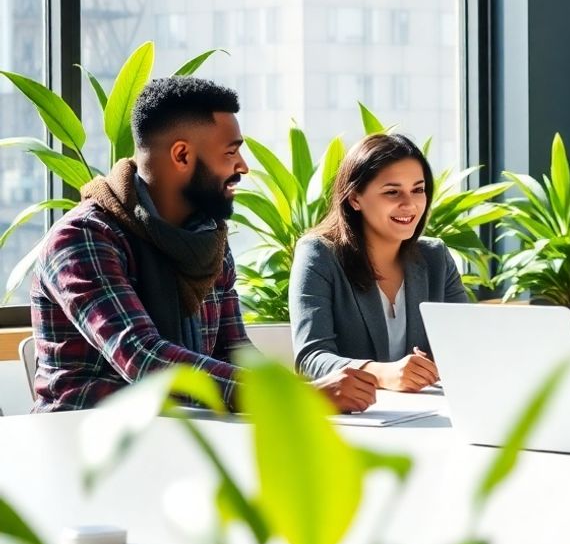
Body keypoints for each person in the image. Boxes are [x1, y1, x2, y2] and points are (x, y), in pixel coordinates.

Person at [30, 77, 377, 413]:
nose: (243, 167)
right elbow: (144, 358)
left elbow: (234, 351)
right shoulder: (82, 238)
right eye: (231, 152)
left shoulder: (208, 237)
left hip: (187, 431)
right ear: (182, 155)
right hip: (84, 438)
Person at [291, 133, 469, 391]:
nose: (409, 204)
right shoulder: (319, 254)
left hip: (429, 408)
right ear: (355, 198)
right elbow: (311, 358)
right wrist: (383, 374)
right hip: (357, 411)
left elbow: (466, 344)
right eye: (392, 192)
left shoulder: (436, 258)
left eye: (418, 190)